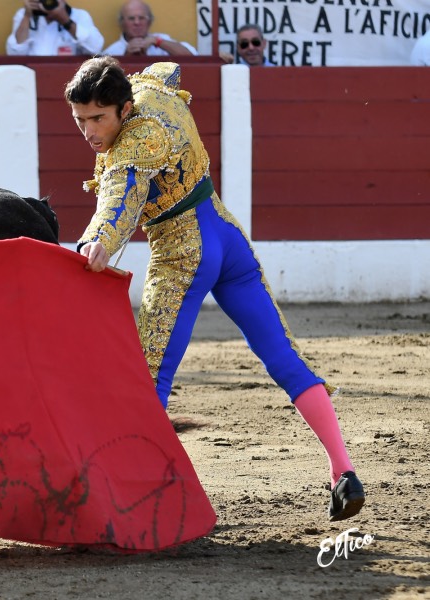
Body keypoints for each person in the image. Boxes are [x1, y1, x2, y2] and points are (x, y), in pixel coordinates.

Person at [64, 57, 365, 522]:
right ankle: (342, 470)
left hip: (184, 253)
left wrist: (97, 241)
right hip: (228, 238)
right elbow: (168, 68)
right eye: (80, 119)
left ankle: (136, 499)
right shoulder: (151, 88)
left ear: (124, 109)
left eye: (98, 118)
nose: (89, 131)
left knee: (150, 376)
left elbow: (118, 200)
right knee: (284, 356)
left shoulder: (133, 145)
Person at [6, 0, 104, 57]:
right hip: (32, 80)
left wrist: (64, 19)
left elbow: (95, 49)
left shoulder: (79, 15)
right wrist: (27, 16)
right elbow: (14, 53)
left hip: (69, 80)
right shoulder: (24, 15)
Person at [103, 0, 195, 58]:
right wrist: (127, 57)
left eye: (141, 18)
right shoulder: (112, 51)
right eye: (131, 18)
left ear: (150, 21)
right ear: (121, 23)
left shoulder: (162, 40)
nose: (137, 22)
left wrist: (158, 42)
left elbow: (191, 58)